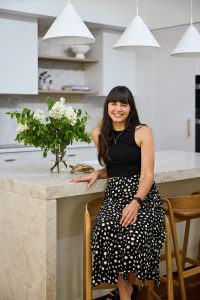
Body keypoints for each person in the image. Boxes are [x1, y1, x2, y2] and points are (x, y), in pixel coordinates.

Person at [71, 86, 166, 300]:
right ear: (107, 106)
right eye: (114, 103)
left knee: (132, 237)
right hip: (115, 194)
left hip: (143, 195)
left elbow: (147, 175)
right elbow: (115, 167)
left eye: (123, 104)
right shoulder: (98, 133)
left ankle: (125, 292)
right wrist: (98, 172)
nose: (118, 108)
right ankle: (127, 290)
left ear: (130, 108)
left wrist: (135, 203)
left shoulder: (143, 132)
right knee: (105, 228)